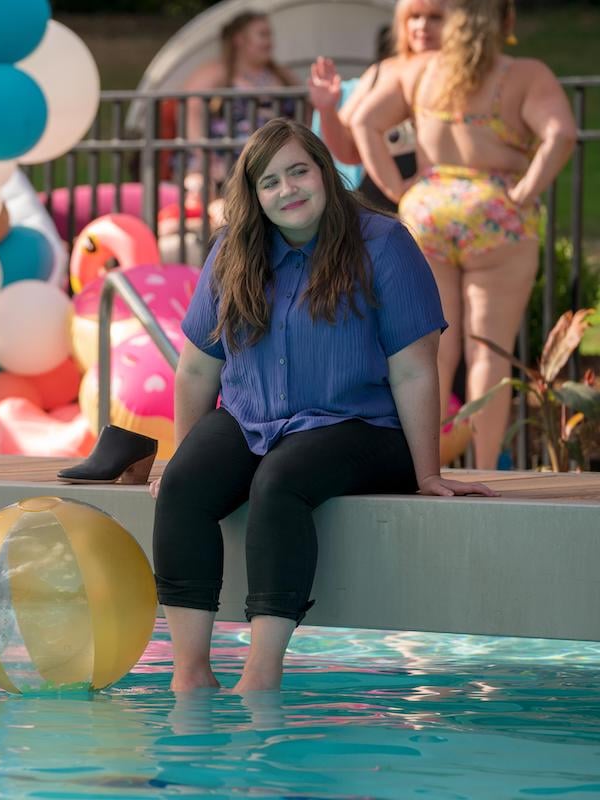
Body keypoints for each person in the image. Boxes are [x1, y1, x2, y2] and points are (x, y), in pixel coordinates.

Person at [151, 118, 496, 694]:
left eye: (298, 172)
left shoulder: (383, 244)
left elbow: (413, 368)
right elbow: (195, 367)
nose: (287, 190)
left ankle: (260, 673)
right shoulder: (233, 249)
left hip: (361, 425)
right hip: (252, 417)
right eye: (269, 182)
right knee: (184, 486)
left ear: (324, 172)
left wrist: (428, 473)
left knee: (279, 482)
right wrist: (183, 454)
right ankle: (190, 673)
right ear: (253, 196)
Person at [351, 0, 577, 469]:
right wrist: (525, 191)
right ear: (506, 22)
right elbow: (560, 133)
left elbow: (363, 121)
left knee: (433, 350)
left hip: (430, 209)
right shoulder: (526, 74)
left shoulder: (420, 70)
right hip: (496, 213)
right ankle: (485, 466)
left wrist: (396, 189)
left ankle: (423, 467)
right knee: (488, 353)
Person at [308, 0, 445, 210]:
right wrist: (327, 110)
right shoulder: (379, 72)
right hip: (380, 209)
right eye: (414, 17)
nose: (422, 26)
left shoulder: (466, 75)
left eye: (435, 17)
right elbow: (348, 152)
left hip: (443, 201)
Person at [180, 11, 301, 205]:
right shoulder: (218, 71)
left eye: (270, 35)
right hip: (225, 159)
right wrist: (205, 156)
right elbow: (192, 110)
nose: (269, 41)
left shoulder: (281, 74)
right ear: (239, 39)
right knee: (200, 190)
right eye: (262, 34)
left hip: (275, 155)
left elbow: (307, 106)